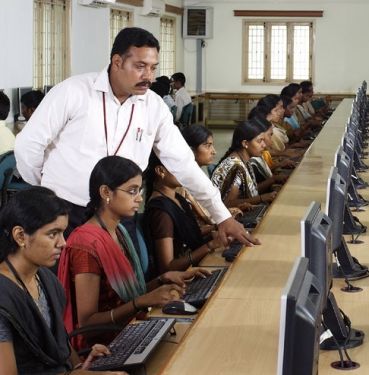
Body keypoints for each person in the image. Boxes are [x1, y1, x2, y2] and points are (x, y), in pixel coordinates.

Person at [14, 27, 256, 248]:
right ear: (117, 61)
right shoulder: (73, 92)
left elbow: (183, 164)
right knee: (68, 287)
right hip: (69, 210)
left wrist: (221, 215)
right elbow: (28, 146)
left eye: (153, 67)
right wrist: (46, 189)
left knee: (119, 290)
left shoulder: (153, 106)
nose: (149, 76)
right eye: (140, 66)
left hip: (120, 213)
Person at [58, 156, 208, 350]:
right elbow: (87, 324)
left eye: (139, 190)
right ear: (105, 192)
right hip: (103, 348)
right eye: (132, 191)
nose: (139, 198)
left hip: (130, 329)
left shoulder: (118, 231)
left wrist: (164, 279)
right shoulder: (85, 245)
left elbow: (125, 295)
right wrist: (139, 303)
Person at [0, 187, 126, 375]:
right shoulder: (4, 299)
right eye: (53, 234)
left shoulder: (45, 278)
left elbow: (60, 343)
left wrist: (80, 367)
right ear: (20, 236)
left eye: (63, 233)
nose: (63, 243)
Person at [144, 153, 223, 275]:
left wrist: (218, 227)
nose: (185, 172)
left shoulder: (176, 198)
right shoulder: (160, 211)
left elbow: (186, 233)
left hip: (197, 267)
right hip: (182, 279)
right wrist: (210, 245)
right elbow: (167, 267)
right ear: (161, 171)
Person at [211, 119, 277, 210]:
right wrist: (262, 198)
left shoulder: (244, 161)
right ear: (245, 143)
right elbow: (228, 203)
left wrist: (273, 181)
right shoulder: (235, 166)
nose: (263, 145)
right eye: (259, 141)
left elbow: (251, 190)